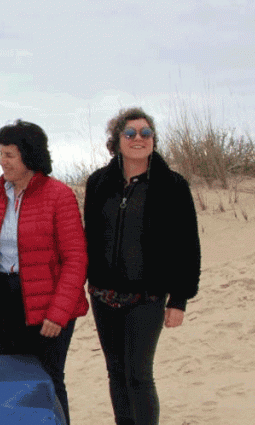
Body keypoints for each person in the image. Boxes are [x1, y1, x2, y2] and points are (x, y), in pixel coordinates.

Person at [84, 107, 201, 425]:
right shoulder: (98, 183)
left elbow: (188, 246)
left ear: (154, 140)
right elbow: (89, 238)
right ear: (116, 140)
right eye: (131, 133)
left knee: (138, 374)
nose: (139, 138)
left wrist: (179, 300)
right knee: (116, 373)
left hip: (147, 296)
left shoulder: (172, 185)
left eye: (146, 133)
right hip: (103, 295)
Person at [0, 120, 88, 425]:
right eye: (0, 153)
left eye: (9, 154)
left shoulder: (58, 195)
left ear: (29, 155)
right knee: (12, 378)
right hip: (7, 300)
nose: (2, 161)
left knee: (48, 380)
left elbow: (76, 259)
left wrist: (58, 313)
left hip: (48, 304)